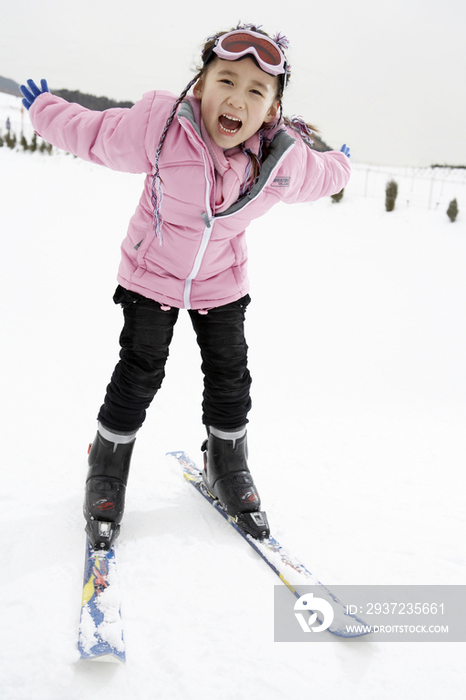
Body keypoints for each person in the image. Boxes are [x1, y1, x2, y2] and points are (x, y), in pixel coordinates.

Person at [21, 23, 351, 549]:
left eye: (255, 91)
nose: (236, 100)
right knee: (140, 369)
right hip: (151, 274)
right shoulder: (161, 126)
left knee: (230, 372)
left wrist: (342, 164)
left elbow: (322, 176)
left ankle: (227, 462)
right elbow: (97, 135)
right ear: (201, 85)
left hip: (221, 282)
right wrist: (45, 112)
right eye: (226, 80)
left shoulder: (281, 160)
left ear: (270, 111)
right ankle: (107, 465)